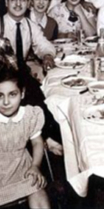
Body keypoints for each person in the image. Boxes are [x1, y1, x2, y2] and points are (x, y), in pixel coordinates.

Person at [0, 0, 62, 155]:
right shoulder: (0, 24)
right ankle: (47, 137)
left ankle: (45, 136)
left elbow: (43, 44)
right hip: (2, 77)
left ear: (28, 4)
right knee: (32, 91)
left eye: (22, 0)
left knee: (40, 93)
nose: (18, 4)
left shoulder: (29, 25)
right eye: (13, 0)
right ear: (6, 2)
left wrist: (48, 55)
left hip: (20, 75)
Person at [0, 65, 50, 208]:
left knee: (37, 189)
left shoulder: (29, 115)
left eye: (12, 94)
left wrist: (35, 166)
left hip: (23, 168)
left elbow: (37, 143)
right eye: (0, 96)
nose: (6, 102)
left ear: (22, 93)